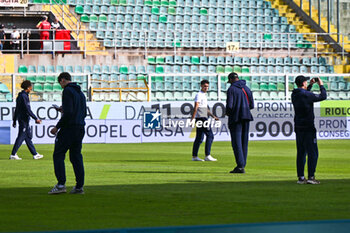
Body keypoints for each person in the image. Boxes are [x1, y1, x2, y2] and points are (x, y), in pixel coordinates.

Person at [49, 72, 87, 194]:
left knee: (58, 155)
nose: (61, 85)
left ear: (63, 80)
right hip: (80, 127)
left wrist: (57, 127)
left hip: (69, 128)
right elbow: (83, 112)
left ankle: (61, 185)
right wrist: (64, 109)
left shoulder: (67, 91)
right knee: (76, 156)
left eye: (60, 83)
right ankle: (79, 186)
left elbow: (69, 113)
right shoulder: (81, 93)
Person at [291, 75, 327, 184]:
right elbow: (323, 96)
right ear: (303, 83)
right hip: (308, 127)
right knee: (313, 153)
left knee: (301, 152)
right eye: (306, 82)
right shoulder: (306, 94)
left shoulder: (295, 94)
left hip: (298, 126)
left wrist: (311, 85)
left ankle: (301, 177)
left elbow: (306, 96)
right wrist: (321, 85)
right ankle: (311, 177)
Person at [226, 72, 254, 173]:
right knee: (244, 142)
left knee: (236, 142)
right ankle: (243, 164)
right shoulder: (246, 88)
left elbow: (230, 105)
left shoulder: (231, 89)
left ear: (231, 80)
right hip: (246, 116)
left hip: (236, 118)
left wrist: (228, 113)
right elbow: (251, 104)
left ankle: (240, 165)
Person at [10, 80, 43, 160]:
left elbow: (17, 109)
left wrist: (14, 120)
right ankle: (13, 154)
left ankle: (35, 154)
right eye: (31, 87)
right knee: (21, 136)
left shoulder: (21, 96)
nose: (31, 88)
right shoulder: (23, 96)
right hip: (23, 120)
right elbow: (27, 109)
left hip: (23, 119)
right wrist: (36, 118)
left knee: (28, 137)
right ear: (28, 87)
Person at [191, 79, 219, 162]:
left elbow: (205, 109)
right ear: (201, 86)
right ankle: (207, 155)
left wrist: (213, 116)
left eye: (207, 86)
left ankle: (194, 156)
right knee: (210, 135)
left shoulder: (203, 95)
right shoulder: (199, 95)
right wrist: (192, 118)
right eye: (204, 86)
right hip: (202, 118)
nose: (206, 88)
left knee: (199, 138)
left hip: (202, 117)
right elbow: (196, 106)